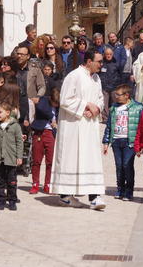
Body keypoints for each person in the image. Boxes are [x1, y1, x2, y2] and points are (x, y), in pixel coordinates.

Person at [50, 49, 107, 210]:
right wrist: (85, 106)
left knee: (91, 160)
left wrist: (96, 108)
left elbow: (100, 99)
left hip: (90, 125)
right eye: (98, 61)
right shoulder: (74, 76)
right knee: (72, 159)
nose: (101, 65)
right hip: (73, 127)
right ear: (89, 61)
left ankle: (95, 197)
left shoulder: (96, 78)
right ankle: (65, 195)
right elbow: (65, 99)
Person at [102, 84, 143, 201]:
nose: (116, 97)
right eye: (115, 94)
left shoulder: (138, 108)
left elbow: (142, 128)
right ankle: (120, 189)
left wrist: (140, 144)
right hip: (116, 141)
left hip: (129, 142)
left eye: (118, 95)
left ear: (127, 95)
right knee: (119, 166)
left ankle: (129, 191)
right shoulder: (114, 108)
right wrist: (106, 142)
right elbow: (109, 126)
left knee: (127, 165)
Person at [0, 102, 23, 211]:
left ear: (7, 113)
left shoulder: (15, 126)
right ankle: (1, 200)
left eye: (0, 112)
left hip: (11, 158)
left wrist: (19, 156)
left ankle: (12, 200)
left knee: (12, 182)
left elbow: (19, 142)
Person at [29, 88, 60, 195]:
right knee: (36, 160)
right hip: (39, 132)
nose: (55, 105)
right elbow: (40, 107)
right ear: (50, 98)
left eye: (57, 103)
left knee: (50, 161)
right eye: (54, 103)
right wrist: (52, 118)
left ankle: (47, 184)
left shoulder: (59, 106)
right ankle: (35, 184)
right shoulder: (43, 100)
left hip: (51, 134)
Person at [14, 45, 46, 126]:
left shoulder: (35, 69)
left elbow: (42, 86)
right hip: (15, 105)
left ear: (28, 56)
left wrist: (38, 97)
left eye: (22, 54)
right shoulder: (13, 69)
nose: (19, 56)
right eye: (18, 54)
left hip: (30, 105)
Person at [99, 47, 122, 122]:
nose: (108, 55)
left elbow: (120, 74)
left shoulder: (116, 63)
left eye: (110, 54)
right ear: (104, 55)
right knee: (104, 103)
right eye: (107, 54)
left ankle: (114, 118)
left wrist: (117, 84)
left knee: (114, 103)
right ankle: (105, 118)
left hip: (114, 86)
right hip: (104, 86)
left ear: (112, 54)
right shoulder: (101, 63)